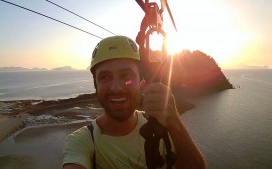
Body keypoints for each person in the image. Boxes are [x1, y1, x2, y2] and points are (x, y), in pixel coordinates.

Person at [63, 36, 206, 169]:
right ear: (96, 85)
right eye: (105, 77)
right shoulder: (82, 142)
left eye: (126, 76)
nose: (116, 88)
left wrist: (174, 121)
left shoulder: (160, 125)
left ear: (141, 82)